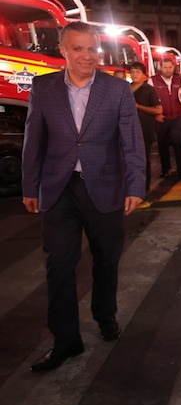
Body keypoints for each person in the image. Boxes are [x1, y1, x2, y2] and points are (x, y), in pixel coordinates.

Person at [21, 21, 146, 372]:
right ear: (63, 51)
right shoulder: (43, 88)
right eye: (77, 49)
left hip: (105, 187)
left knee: (106, 258)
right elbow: (33, 142)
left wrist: (135, 185)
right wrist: (31, 186)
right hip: (58, 189)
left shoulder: (117, 90)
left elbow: (132, 142)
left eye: (92, 48)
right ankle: (66, 340)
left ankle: (104, 313)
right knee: (59, 265)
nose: (86, 56)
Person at [149, 58, 181, 179]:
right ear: (160, 68)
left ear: (174, 68)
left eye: (170, 67)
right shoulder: (152, 81)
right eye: (165, 67)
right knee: (162, 144)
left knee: (178, 143)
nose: (168, 70)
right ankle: (165, 169)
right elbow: (148, 99)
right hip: (161, 119)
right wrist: (155, 114)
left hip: (177, 117)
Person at [129, 61, 163, 193]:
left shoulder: (149, 90)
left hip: (144, 130)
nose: (134, 74)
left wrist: (139, 107)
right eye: (132, 72)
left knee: (143, 159)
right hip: (127, 130)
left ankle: (144, 186)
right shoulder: (125, 89)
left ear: (144, 75)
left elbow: (158, 110)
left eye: (138, 72)